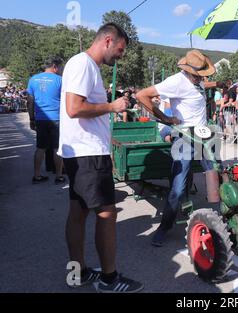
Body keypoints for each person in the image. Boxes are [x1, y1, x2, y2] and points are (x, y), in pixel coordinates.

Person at [58, 23, 143, 293]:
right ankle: (109, 279)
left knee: (78, 213)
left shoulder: (84, 65)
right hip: (88, 155)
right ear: (107, 40)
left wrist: (108, 138)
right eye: (119, 49)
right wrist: (112, 106)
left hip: (84, 151)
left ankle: (79, 272)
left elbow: (80, 111)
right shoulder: (83, 64)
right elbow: (74, 108)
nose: (120, 55)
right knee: (107, 214)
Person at [136, 50, 221, 247]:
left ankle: (221, 223)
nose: (201, 78)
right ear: (188, 71)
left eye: (203, 75)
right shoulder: (175, 81)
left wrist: (217, 84)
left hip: (204, 135)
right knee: (178, 186)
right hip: (184, 137)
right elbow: (142, 95)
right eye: (198, 75)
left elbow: (199, 87)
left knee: (217, 175)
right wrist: (165, 118)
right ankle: (164, 227)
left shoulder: (197, 80)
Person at [27, 57, 65, 184]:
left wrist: (32, 119)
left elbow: (30, 101)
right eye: (60, 67)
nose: (60, 70)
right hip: (56, 118)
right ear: (55, 66)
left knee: (40, 148)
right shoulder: (60, 80)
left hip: (40, 119)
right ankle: (59, 176)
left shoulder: (33, 79)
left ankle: (37, 175)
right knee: (57, 148)